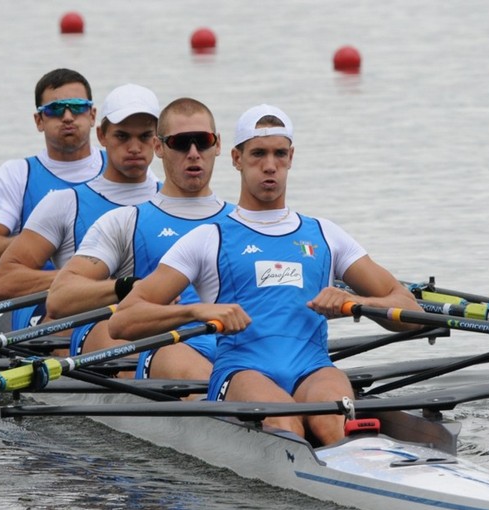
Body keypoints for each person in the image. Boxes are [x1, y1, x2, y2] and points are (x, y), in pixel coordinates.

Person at [108, 104, 422, 445]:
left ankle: (356, 459)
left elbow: (412, 312)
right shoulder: (207, 239)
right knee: (286, 423)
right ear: (236, 158)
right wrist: (197, 310)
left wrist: (356, 301)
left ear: (291, 157)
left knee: (333, 422)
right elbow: (123, 322)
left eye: (279, 154)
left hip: (313, 368)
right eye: (258, 154)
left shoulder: (327, 235)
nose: (270, 166)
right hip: (242, 372)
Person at [46, 97, 232, 380]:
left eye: (203, 141)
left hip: (230, 344)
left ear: (217, 145)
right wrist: (127, 287)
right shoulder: (124, 221)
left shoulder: (242, 221)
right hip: (159, 346)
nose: (194, 153)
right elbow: (60, 299)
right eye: (181, 143)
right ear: (158, 147)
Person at [0, 83, 162, 329]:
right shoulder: (63, 203)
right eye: (122, 136)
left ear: (157, 141)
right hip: (82, 327)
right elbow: (0, 284)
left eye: (144, 137)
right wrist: (87, 283)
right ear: (101, 136)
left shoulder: (176, 203)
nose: (134, 147)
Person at [0, 68, 105, 268]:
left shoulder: (123, 167)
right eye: (55, 109)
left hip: (113, 295)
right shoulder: (17, 174)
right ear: (39, 120)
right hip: (39, 295)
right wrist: (47, 238)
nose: (67, 116)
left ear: (92, 116)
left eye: (77, 107)